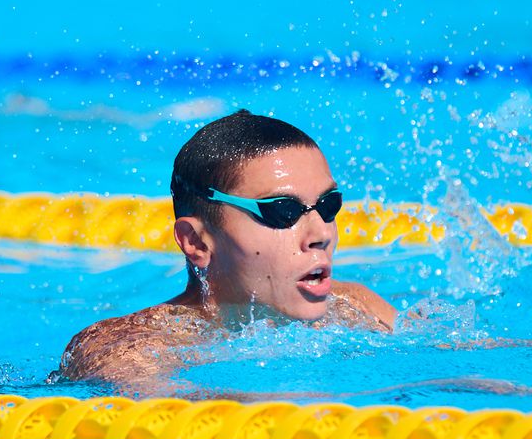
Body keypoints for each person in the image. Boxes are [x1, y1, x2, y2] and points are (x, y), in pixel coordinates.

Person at [58, 110, 396, 385]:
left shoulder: (357, 307)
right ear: (196, 242)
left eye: (328, 205)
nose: (321, 233)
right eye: (282, 211)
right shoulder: (127, 348)